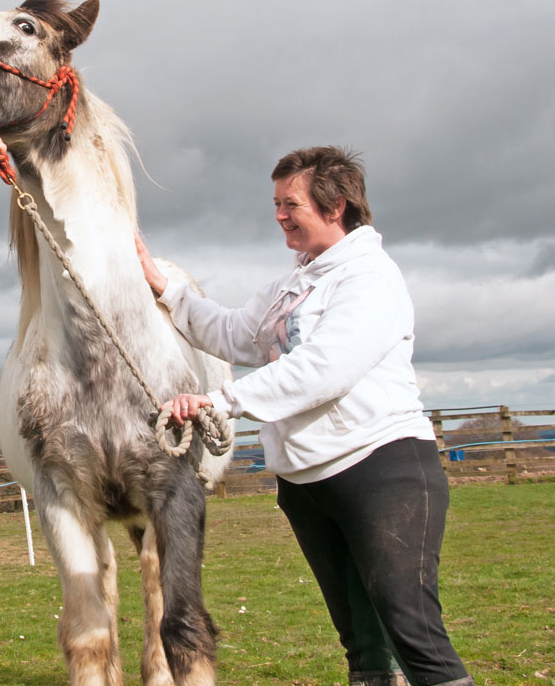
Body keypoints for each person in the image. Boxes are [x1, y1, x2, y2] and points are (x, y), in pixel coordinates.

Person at [135, 147, 472, 686]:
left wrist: (219, 402)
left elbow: (323, 369)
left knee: (412, 631)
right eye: (276, 203)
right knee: (361, 643)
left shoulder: (369, 278)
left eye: (289, 203)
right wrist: (165, 288)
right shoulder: (292, 284)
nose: (278, 215)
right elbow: (232, 332)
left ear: (335, 205)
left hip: (381, 473)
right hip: (308, 484)